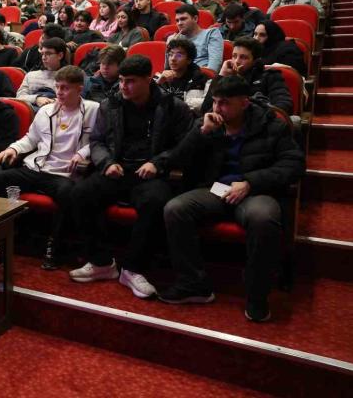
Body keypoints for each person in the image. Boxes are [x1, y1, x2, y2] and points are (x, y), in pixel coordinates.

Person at [161, 76, 305, 322]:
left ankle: (257, 295)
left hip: (255, 191)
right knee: (175, 208)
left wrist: (250, 182)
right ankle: (194, 284)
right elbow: (177, 159)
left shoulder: (271, 124)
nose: (217, 108)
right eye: (215, 102)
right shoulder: (208, 124)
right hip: (215, 189)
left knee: (263, 217)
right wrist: (201, 132)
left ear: (244, 103)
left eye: (225, 103)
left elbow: (294, 165)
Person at [68, 55, 193, 298]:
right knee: (80, 194)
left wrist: (157, 163)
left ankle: (133, 269)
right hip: (117, 168)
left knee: (154, 202)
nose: (124, 86)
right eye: (122, 80)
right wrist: (106, 163)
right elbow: (97, 141)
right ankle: (101, 262)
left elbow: (183, 147)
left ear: (149, 79)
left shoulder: (172, 107)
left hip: (151, 173)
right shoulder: (110, 104)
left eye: (131, 81)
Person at [0, 66, 100, 269]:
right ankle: (3, 238)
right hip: (37, 167)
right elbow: (31, 139)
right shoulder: (46, 110)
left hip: (64, 173)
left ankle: (55, 245)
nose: (59, 92)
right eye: (57, 87)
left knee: (68, 193)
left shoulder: (93, 110)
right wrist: (13, 148)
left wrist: (83, 153)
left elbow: (100, 141)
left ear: (79, 89)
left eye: (65, 88)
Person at [201, 37, 293, 115]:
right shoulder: (226, 76)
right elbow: (206, 109)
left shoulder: (269, 76)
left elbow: (284, 104)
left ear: (255, 60)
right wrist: (221, 76)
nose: (236, 61)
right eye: (234, 56)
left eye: (243, 57)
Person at [157, 38, 210, 112]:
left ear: (189, 60)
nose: (173, 59)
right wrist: (158, 83)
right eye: (170, 54)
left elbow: (195, 106)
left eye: (179, 55)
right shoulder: (161, 76)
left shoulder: (198, 78)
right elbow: (148, 101)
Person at [15, 37, 68, 110]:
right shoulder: (31, 75)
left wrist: (54, 101)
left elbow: (76, 98)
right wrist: (36, 99)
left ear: (60, 55)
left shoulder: (70, 76)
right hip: (33, 110)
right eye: (42, 54)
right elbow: (19, 97)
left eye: (48, 54)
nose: (43, 57)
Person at [166, 4, 223, 71]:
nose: (179, 23)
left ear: (195, 19)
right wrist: (169, 47)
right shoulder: (176, 39)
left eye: (183, 19)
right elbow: (168, 68)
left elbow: (214, 67)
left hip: (201, 75)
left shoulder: (211, 34)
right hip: (179, 75)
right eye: (177, 20)